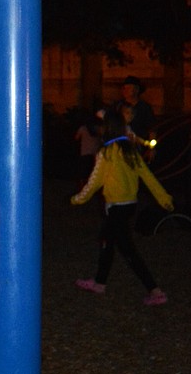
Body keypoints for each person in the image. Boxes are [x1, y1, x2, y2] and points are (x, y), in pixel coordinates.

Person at [71, 106, 174, 305]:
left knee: (127, 250)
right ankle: (99, 282)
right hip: (128, 205)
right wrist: (165, 198)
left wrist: (77, 199)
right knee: (108, 243)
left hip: (116, 207)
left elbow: (94, 181)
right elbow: (148, 177)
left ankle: (155, 291)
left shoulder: (107, 153)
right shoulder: (130, 151)